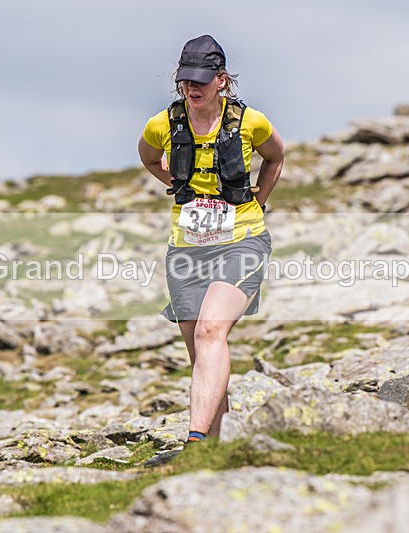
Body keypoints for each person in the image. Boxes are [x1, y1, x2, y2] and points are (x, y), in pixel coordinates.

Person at [138, 35, 285, 443]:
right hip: (187, 247)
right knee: (202, 351)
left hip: (242, 239)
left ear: (221, 80)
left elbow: (276, 156)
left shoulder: (251, 122)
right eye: (185, 80)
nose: (192, 87)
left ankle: (195, 439)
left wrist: (260, 198)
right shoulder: (161, 125)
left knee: (209, 332)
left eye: (201, 80)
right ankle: (216, 450)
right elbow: (148, 157)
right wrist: (174, 180)